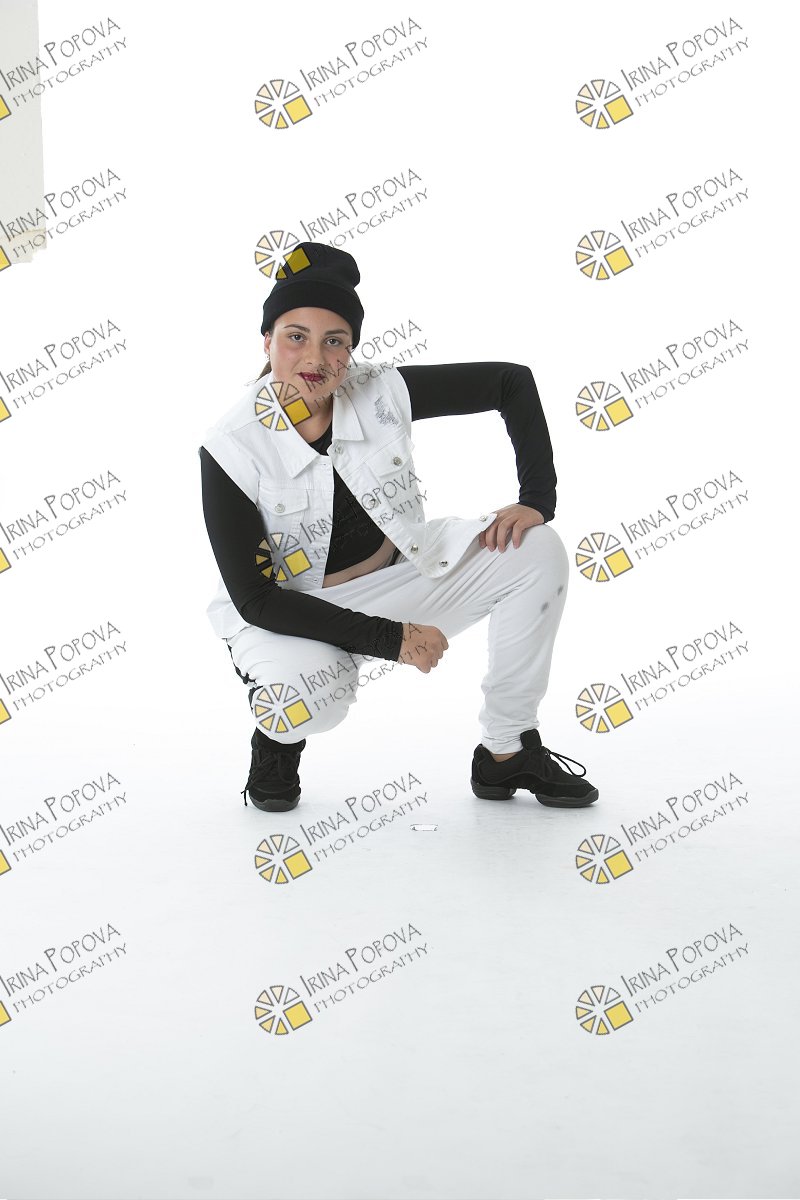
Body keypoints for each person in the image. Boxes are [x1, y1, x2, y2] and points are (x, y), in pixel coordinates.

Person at [199, 241, 599, 813]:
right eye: (296, 336)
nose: (315, 357)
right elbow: (257, 599)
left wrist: (537, 500)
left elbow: (511, 382)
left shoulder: (380, 391)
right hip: (290, 613)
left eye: (334, 340)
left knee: (535, 549)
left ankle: (507, 749)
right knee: (303, 703)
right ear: (267, 340)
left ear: (350, 349)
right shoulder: (231, 446)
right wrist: (393, 640)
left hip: (397, 580)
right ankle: (276, 744)